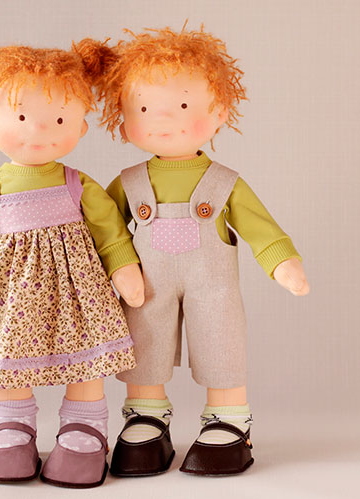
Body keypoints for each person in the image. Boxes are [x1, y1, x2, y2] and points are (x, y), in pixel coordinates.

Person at [0, 24, 144, 488]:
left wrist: (124, 268)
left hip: (78, 294)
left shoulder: (78, 184)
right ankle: (11, 426)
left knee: (87, 357)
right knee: (9, 354)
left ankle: (83, 428)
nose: (41, 130)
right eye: (23, 116)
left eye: (60, 119)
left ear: (81, 126)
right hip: (10, 298)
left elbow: (109, 232)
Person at [98, 25, 309, 476]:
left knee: (222, 340)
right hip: (145, 286)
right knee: (143, 338)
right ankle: (146, 415)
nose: (162, 119)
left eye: (183, 106)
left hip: (213, 286)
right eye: (144, 109)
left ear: (219, 110)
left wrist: (282, 262)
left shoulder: (225, 182)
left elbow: (259, 227)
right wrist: (108, 269)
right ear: (124, 115)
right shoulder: (128, 183)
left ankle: (228, 418)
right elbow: (105, 231)